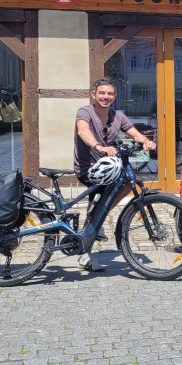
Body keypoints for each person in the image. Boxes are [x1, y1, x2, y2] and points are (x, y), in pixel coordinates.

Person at [74, 77, 156, 271]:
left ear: (115, 96)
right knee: (107, 194)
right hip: (88, 168)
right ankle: (85, 251)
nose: (106, 97)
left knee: (129, 181)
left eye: (110, 94)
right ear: (94, 95)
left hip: (108, 168)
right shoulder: (85, 111)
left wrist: (146, 141)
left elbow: (134, 133)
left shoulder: (118, 116)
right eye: (102, 93)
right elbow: (82, 130)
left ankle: (97, 218)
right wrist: (98, 146)